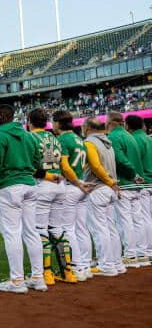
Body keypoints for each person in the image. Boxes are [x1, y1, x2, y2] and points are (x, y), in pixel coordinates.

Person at [0, 104, 45, 294]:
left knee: (12, 233)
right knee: (31, 232)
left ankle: (17, 280)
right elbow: (37, 163)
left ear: (0, 116)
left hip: (9, 185)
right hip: (30, 184)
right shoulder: (28, 136)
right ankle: (38, 278)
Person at [26, 108, 73, 285]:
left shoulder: (31, 137)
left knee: (40, 230)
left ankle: (46, 274)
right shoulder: (55, 138)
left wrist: (46, 176)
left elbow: (28, 165)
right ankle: (68, 272)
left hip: (43, 184)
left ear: (29, 121)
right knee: (58, 228)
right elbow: (63, 164)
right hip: (59, 185)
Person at [52, 110, 94, 281]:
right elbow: (84, 165)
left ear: (58, 123)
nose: (52, 125)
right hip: (80, 187)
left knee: (68, 229)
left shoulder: (62, 139)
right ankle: (85, 266)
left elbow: (65, 167)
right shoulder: (79, 139)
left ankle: (76, 268)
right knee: (82, 229)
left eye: (53, 122)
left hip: (72, 186)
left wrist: (76, 181)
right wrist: (80, 181)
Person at [82, 118, 122, 276]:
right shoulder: (108, 143)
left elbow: (95, 165)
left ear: (88, 128)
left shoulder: (90, 142)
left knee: (100, 229)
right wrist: (111, 183)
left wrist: (109, 181)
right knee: (111, 228)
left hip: (99, 188)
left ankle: (106, 264)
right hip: (110, 190)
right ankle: (116, 263)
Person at [106, 112, 146, 268]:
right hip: (136, 184)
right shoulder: (130, 136)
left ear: (110, 122)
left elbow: (120, 159)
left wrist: (133, 174)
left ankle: (130, 254)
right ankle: (140, 252)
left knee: (125, 220)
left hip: (125, 182)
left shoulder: (115, 137)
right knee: (137, 219)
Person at [124, 115, 151, 266]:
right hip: (149, 181)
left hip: (144, 182)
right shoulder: (148, 138)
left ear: (127, 125)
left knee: (143, 218)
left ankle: (146, 251)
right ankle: (147, 251)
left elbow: (134, 161)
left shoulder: (134, 139)